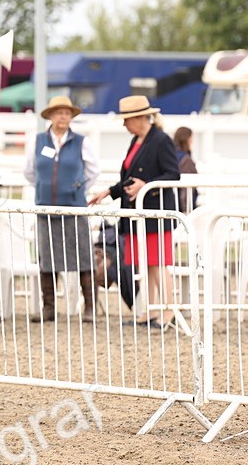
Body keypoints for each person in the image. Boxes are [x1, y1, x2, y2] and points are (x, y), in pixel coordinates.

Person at [88, 95, 180, 328]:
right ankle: (148, 311)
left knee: (158, 263)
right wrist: (109, 191)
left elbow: (172, 174)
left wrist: (146, 186)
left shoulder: (160, 140)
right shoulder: (137, 140)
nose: (124, 125)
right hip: (136, 213)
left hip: (154, 213)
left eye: (126, 119)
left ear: (140, 118)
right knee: (144, 264)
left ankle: (168, 311)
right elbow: (129, 178)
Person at [23, 96, 100, 322]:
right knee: (46, 257)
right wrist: (43, 186)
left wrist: (77, 187)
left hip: (75, 207)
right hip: (46, 208)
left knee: (84, 256)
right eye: (59, 112)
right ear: (51, 116)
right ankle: (49, 307)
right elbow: (29, 171)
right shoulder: (38, 141)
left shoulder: (81, 142)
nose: (63, 116)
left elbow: (93, 171)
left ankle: (90, 307)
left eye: (67, 113)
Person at [173, 126, 199, 213]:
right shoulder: (186, 159)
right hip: (183, 207)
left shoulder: (171, 155)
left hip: (173, 204)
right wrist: (186, 210)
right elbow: (187, 189)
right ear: (187, 139)